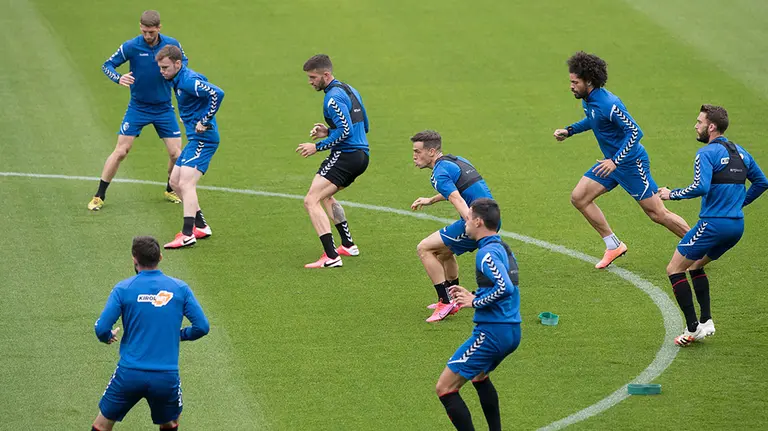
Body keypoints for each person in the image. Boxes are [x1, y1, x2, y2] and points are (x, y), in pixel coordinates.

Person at [553, 51, 690, 268]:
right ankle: (613, 245)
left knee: (657, 213)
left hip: (630, 164)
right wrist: (570, 131)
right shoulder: (589, 100)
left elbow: (635, 132)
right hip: (611, 164)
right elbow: (594, 121)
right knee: (579, 197)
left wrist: (615, 160)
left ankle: (697, 244)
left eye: (575, 82)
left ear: (589, 81)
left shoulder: (609, 103)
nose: (571, 86)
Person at [658, 105, 767, 346]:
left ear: (711, 127)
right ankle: (706, 321)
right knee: (695, 266)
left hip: (713, 224)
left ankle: (692, 327)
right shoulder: (742, 152)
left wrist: (671, 194)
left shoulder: (706, 153)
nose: (695, 126)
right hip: (736, 227)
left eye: (699, 122)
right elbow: (762, 182)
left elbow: (701, 187)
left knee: (674, 269)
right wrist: (738, 203)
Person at [91, 236, 209, 430]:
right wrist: (180, 334)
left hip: (129, 374)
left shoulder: (123, 288)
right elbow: (202, 327)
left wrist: (107, 336)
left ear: (134, 259)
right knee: (169, 423)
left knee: (102, 425)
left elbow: (101, 328)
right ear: (160, 257)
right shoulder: (180, 288)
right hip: (165, 376)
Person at [435, 198, 521, 431]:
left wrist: (475, 301)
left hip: (492, 332)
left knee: (445, 388)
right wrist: (474, 294)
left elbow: (505, 287)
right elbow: (503, 286)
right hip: (511, 330)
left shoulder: (486, 254)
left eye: (468, 218)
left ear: (479, 222)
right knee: (479, 376)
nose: (465, 222)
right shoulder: (502, 247)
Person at [88, 10, 187, 211]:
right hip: (138, 107)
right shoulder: (131, 46)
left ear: (159, 28)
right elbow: (107, 65)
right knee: (121, 151)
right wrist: (118, 77)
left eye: (151, 32)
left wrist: (175, 76)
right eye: (144, 31)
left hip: (163, 108)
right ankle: (99, 195)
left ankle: (170, 189)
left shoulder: (172, 45)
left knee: (177, 154)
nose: (147, 36)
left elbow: (183, 64)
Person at [410, 131, 495, 322]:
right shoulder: (455, 161)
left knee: (424, 248)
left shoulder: (439, 172)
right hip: (490, 215)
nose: (414, 156)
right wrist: (431, 200)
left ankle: (445, 302)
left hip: (478, 221)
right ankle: (454, 297)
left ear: (431, 151)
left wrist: (470, 222)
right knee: (443, 253)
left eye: (417, 151)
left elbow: (456, 197)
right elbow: (457, 189)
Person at [296, 54, 370, 268]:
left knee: (311, 200)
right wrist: (328, 131)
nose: (310, 82)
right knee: (327, 196)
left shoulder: (332, 98)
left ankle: (331, 256)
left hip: (346, 155)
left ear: (325, 75)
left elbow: (346, 131)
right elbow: (362, 126)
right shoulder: (350, 90)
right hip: (361, 155)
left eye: (312, 77)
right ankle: (347, 245)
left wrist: (316, 146)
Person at [152, 45, 224, 249]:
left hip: (205, 139)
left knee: (186, 183)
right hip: (195, 139)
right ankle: (200, 226)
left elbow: (217, 93)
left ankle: (187, 235)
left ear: (177, 64)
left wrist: (205, 119)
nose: (162, 72)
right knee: (174, 181)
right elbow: (204, 82)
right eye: (160, 68)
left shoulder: (187, 80)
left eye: (165, 67)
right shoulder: (180, 78)